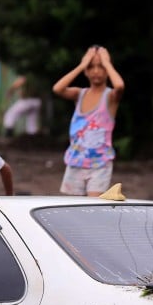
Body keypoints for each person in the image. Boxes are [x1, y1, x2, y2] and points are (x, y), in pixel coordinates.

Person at [52, 46, 125, 196]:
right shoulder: (79, 94)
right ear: (86, 70)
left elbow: (120, 85)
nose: (96, 71)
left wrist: (107, 63)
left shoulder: (110, 97)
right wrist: (81, 65)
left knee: (93, 207)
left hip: (100, 164)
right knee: (73, 209)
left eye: (101, 67)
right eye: (91, 67)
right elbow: (57, 89)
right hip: (75, 162)